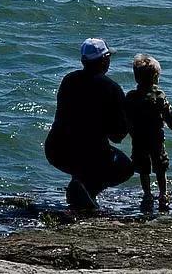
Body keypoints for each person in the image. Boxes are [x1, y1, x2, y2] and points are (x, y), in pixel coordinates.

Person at [45, 38, 134, 210]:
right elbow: (117, 136)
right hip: (89, 154)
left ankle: (80, 184)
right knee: (126, 167)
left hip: (57, 151)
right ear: (104, 60)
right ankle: (88, 188)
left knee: (81, 149)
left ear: (83, 60)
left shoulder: (68, 80)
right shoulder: (111, 88)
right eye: (108, 57)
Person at [125, 53, 172, 211]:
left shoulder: (131, 97)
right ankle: (163, 193)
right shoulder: (159, 96)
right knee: (160, 166)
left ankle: (147, 194)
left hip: (138, 139)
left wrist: (125, 132)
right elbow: (169, 116)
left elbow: (125, 118)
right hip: (156, 139)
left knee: (143, 168)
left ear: (136, 78)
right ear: (156, 77)